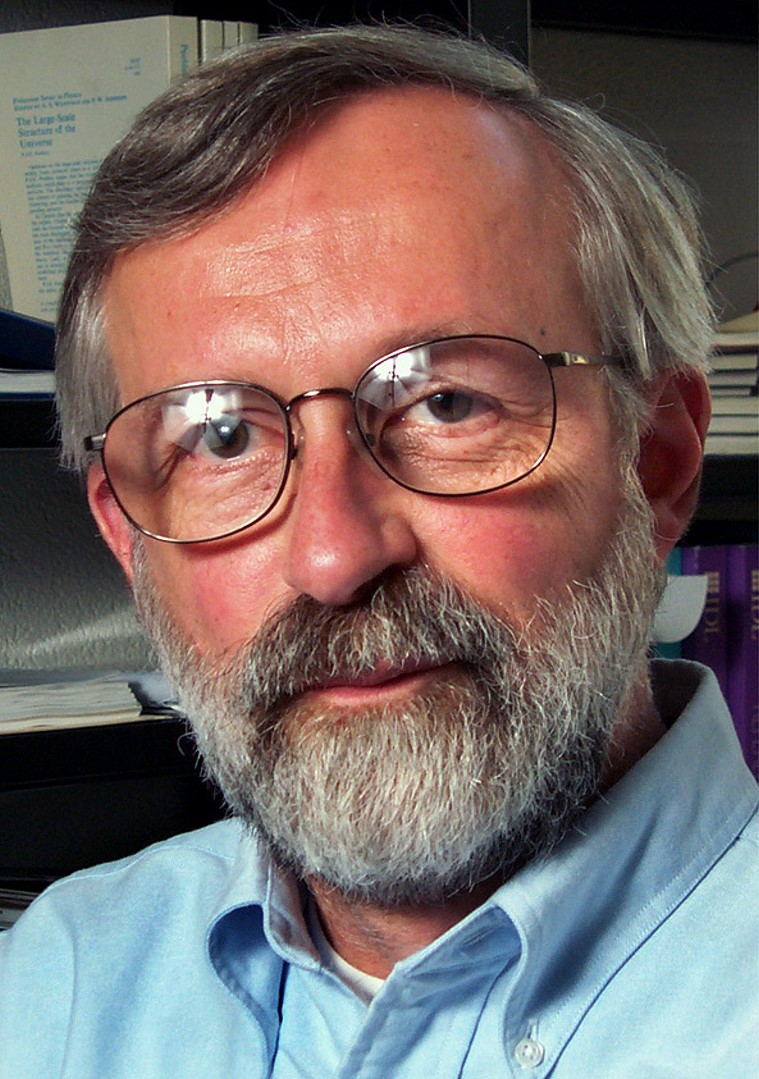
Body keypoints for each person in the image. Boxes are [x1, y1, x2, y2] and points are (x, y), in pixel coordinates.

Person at [0, 24, 756, 1077]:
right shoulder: (56, 983)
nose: (333, 556)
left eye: (446, 403)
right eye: (221, 438)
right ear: (127, 535)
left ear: (656, 460)